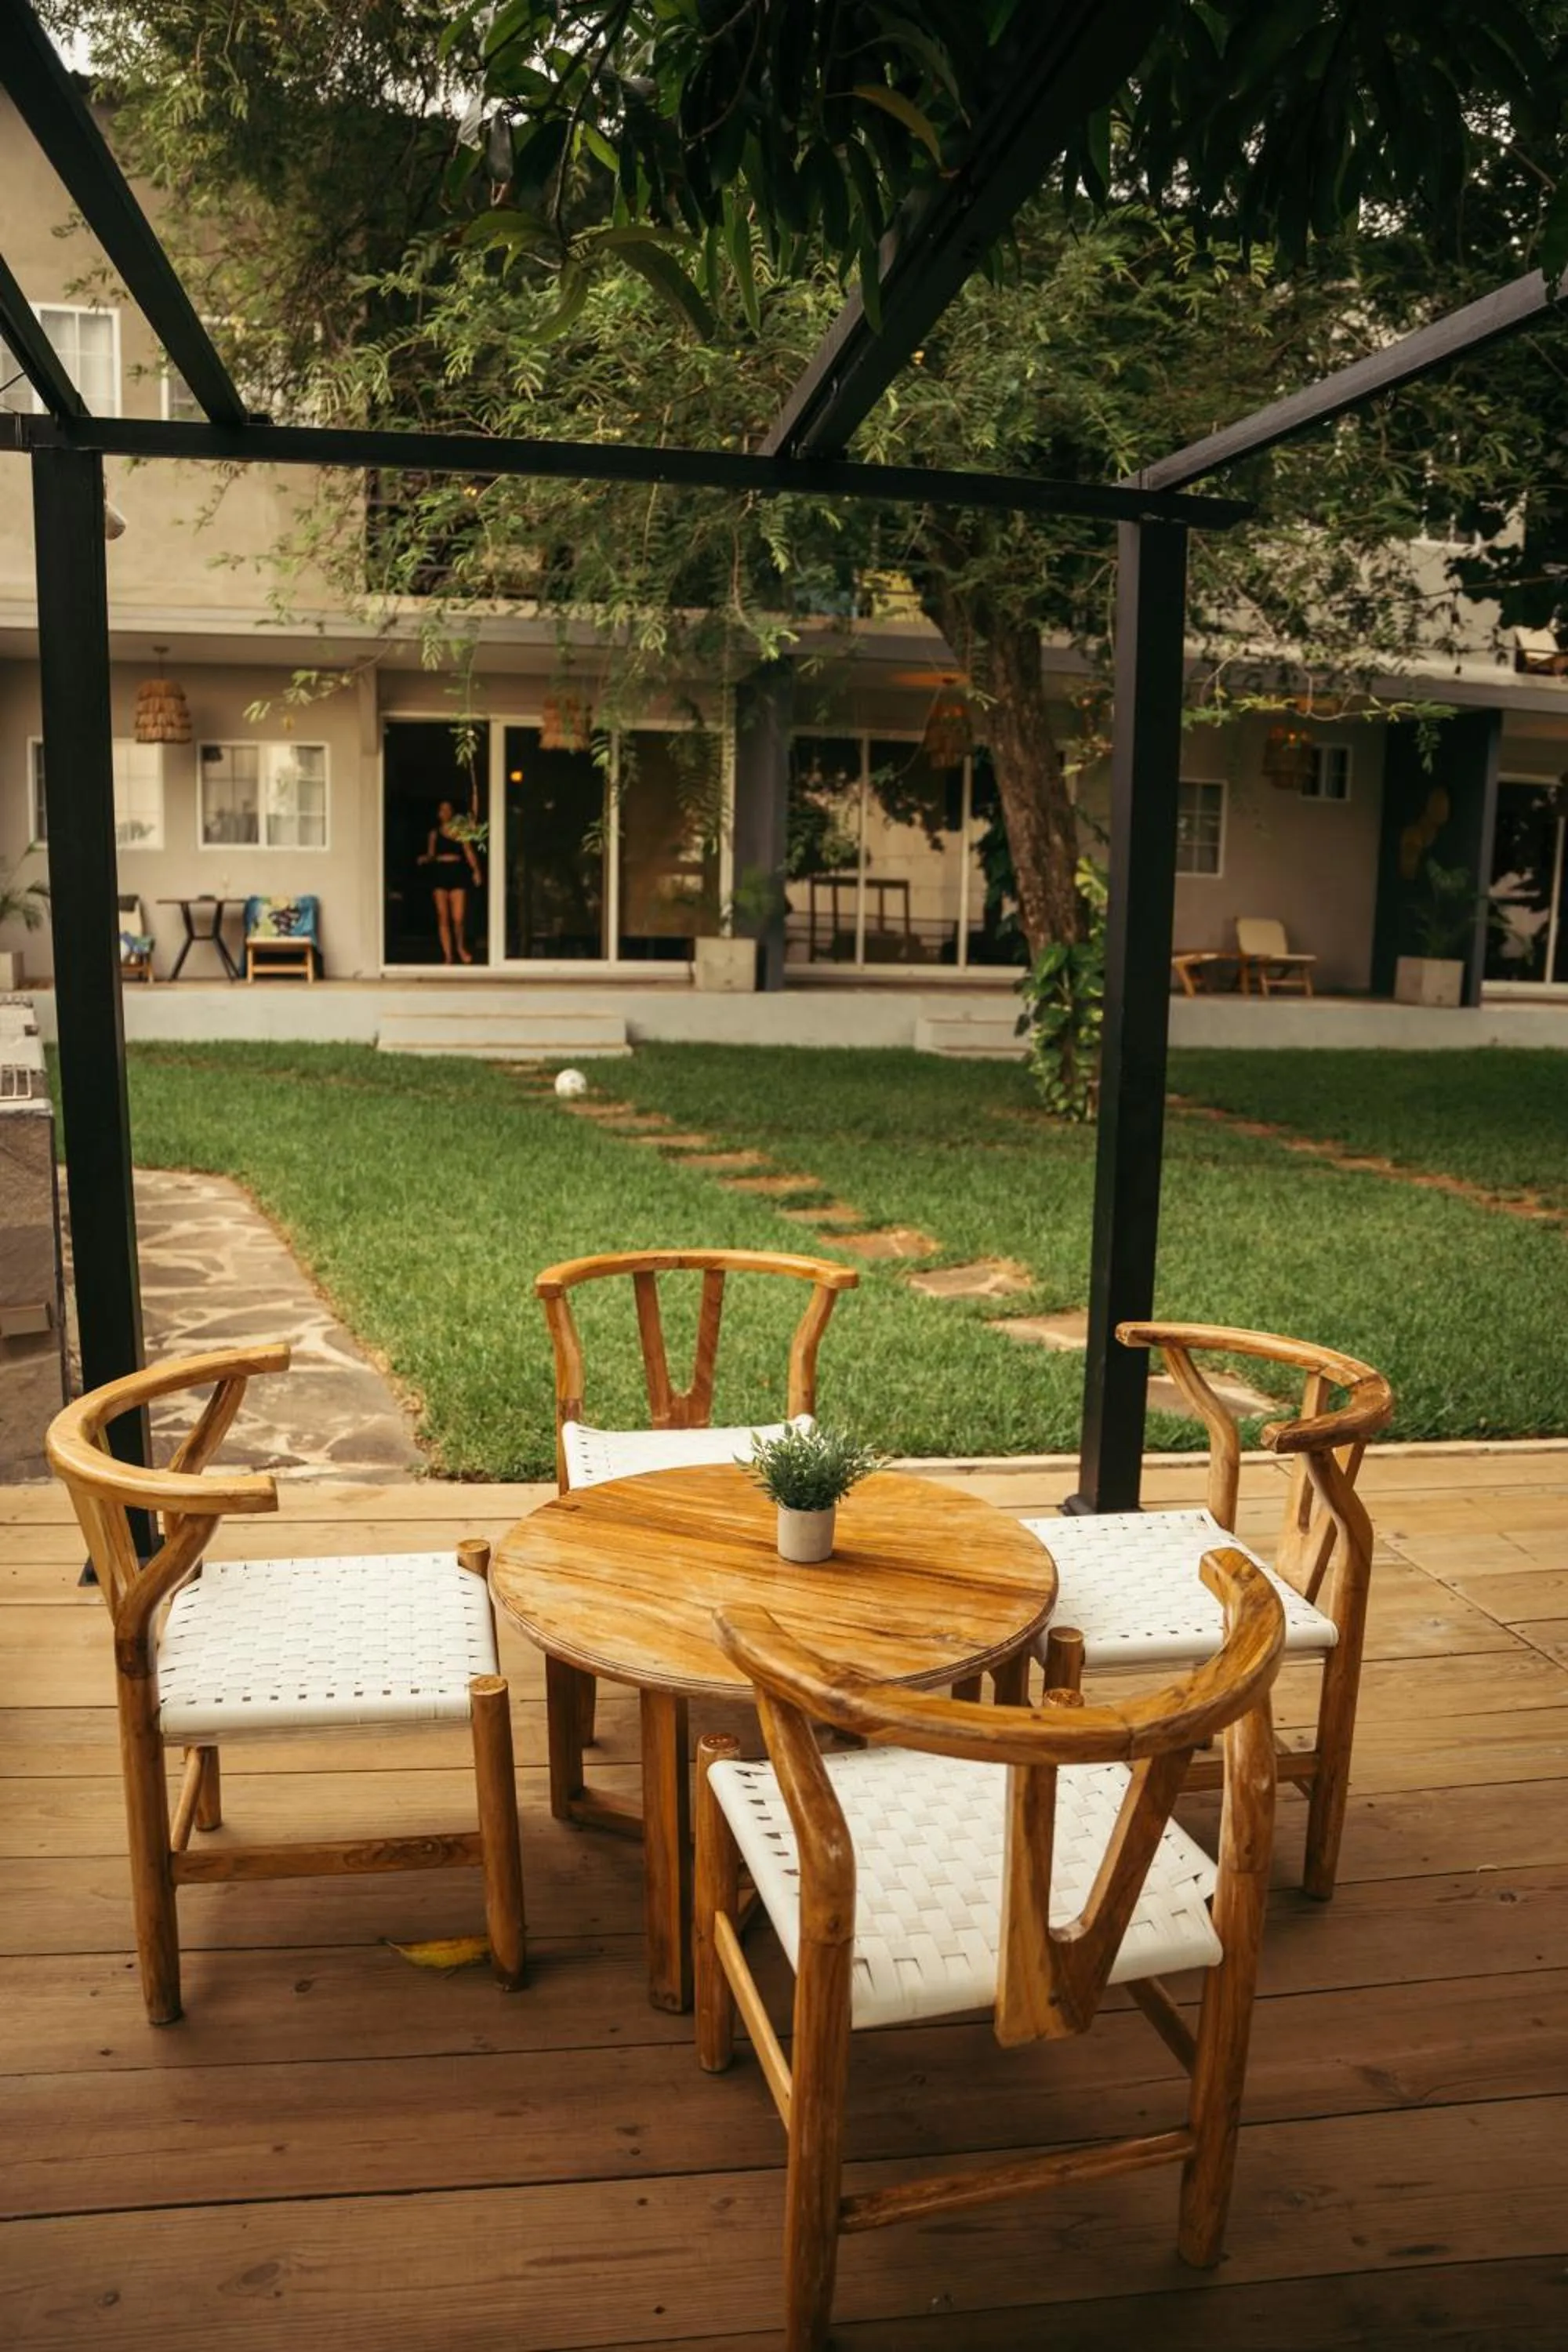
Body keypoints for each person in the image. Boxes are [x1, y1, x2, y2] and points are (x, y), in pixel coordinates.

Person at [417, 797, 482, 964]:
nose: (445, 812)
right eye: (442, 809)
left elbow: (468, 851)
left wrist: (476, 870)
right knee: (443, 916)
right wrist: (425, 858)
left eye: (448, 809)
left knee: (458, 917)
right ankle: (448, 955)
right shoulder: (434, 834)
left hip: (457, 873)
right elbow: (431, 854)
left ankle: (460, 948)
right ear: (438, 814)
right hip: (440, 873)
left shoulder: (460, 831)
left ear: (452, 813)